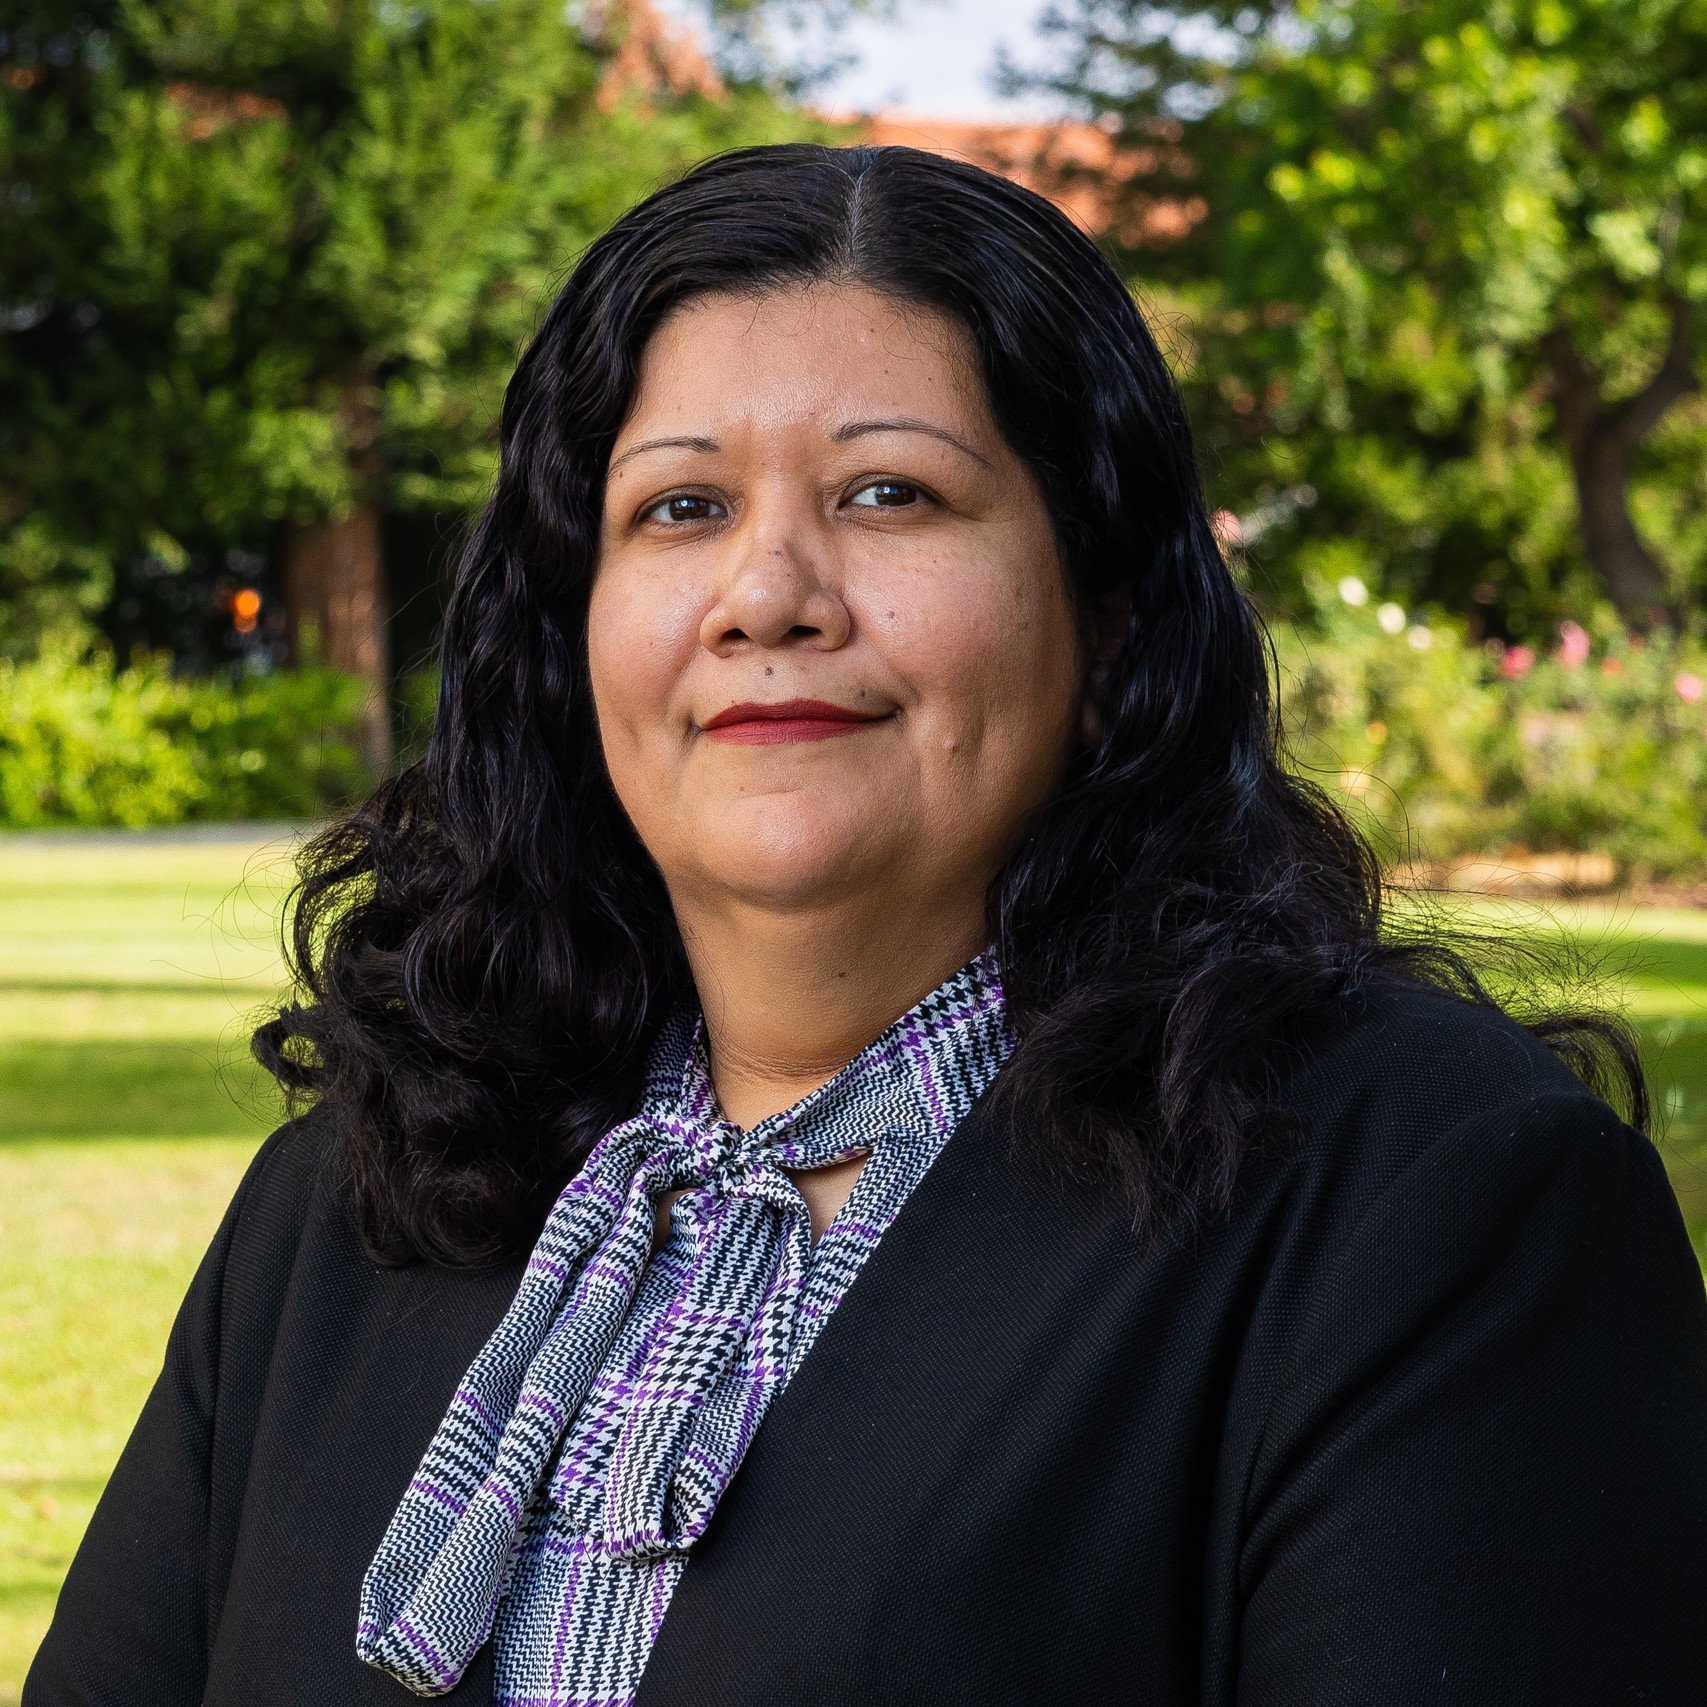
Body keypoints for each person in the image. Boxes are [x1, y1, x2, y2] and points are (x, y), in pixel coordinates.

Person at [26, 143, 1707, 1707]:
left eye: (891, 494)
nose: (769, 591)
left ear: (1109, 614)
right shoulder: (353, 1199)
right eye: (679, 509)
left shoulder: (1428, 1204)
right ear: (574, 628)